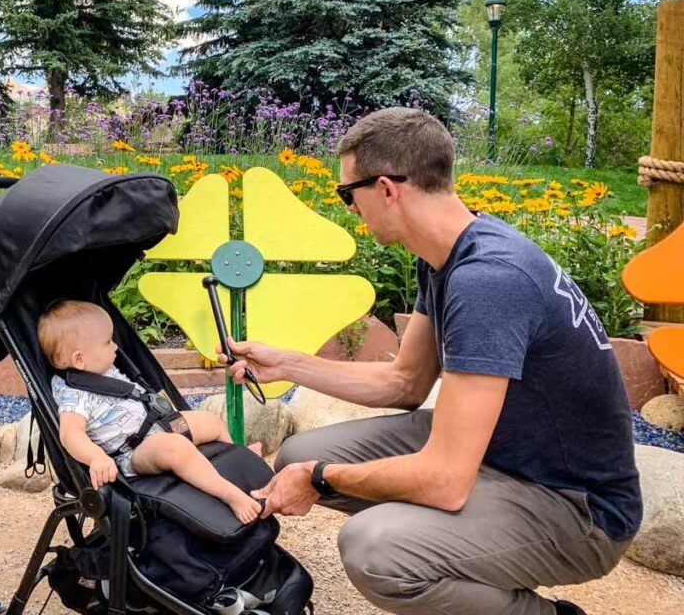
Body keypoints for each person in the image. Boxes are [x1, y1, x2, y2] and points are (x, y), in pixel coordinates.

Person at [218, 108, 641, 615]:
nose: (349, 208)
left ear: (387, 189)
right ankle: (451, 539)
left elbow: (443, 478)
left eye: (347, 194)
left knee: (375, 549)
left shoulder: (488, 280)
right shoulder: (446, 255)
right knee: (296, 453)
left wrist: (318, 477)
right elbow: (405, 381)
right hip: (500, 454)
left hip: (577, 508)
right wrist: (286, 363)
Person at [39, 299, 263, 523]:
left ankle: (238, 458)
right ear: (80, 359)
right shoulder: (74, 395)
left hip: (159, 424)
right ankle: (229, 494)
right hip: (134, 452)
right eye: (108, 342)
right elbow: (70, 434)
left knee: (211, 421)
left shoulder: (102, 367)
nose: (115, 347)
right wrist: (96, 457)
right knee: (176, 448)